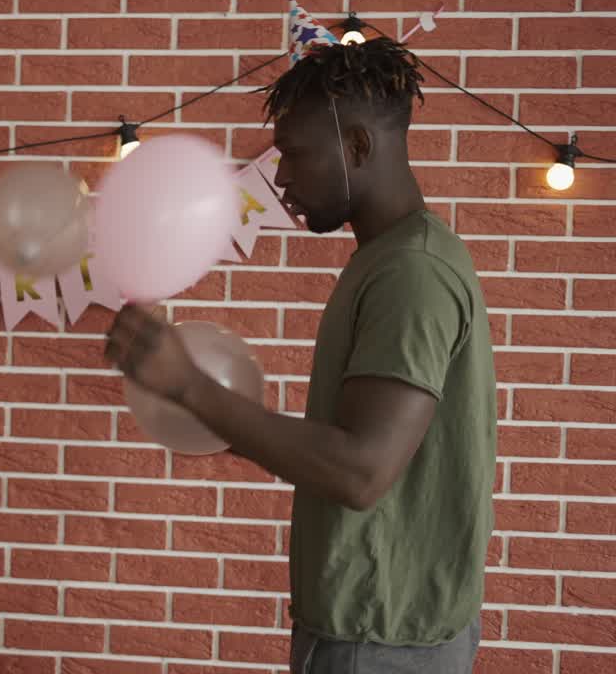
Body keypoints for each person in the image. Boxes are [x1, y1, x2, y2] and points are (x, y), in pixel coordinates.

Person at [104, 36, 497, 674]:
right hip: (377, 632)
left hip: (379, 644)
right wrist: (212, 413)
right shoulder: (390, 259)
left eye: (294, 153)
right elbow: (346, 446)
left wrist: (192, 390)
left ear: (358, 147)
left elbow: (359, 473)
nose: (281, 176)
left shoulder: (411, 272)